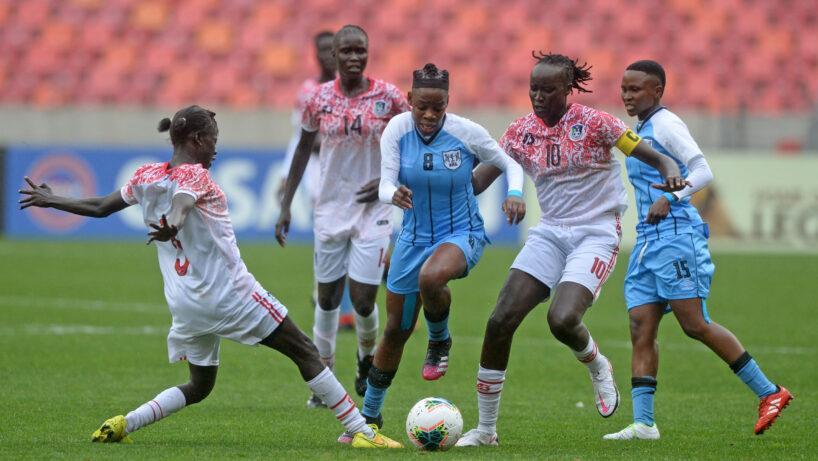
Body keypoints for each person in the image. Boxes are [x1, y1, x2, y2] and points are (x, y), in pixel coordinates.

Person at [17, 105, 401, 449]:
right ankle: (362, 432)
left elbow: (100, 206)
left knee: (200, 386)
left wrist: (55, 200)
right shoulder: (196, 176)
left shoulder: (146, 175)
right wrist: (174, 222)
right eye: (213, 140)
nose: (216, 149)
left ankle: (125, 422)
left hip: (186, 304)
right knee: (304, 349)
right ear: (197, 139)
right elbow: (183, 202)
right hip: (231, 295)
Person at [456, 52, 689, 447]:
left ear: (567, 89)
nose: (538, 96)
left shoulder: (596, 123)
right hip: (549, 232)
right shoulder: (519, 132)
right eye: (533, 88)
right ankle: (485, 431)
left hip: (596, 232)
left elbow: (653, 155)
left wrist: (669, 170)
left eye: (548, 89)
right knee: (499, 322)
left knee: (562, 319)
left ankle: (597, 364)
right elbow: (477, 182)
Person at [603, 60, 792, 440]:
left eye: (636, 89)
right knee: (641, 326)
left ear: (657, 91)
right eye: (624, 88)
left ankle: (770, 393)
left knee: (694, 324)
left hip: (676, 235)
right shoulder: (639, 129)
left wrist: (672, 197)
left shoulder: (667, 124)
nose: (627, 94)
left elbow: (702, 169)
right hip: (647, 240)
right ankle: (644, 424)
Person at [353, 63, 526, 435]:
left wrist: (514, 194)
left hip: (461, 232)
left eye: (439, 106)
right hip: (412, 239)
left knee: (431, 278)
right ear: (410, 100)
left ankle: (438, 340)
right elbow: (385, 183)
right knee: (396, 331)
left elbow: (509, 164)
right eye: (423, 106)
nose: (430, 115)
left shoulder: (466, 133)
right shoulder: (397, 130)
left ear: (448, 102)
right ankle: (368, 419)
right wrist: (392, 194)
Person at [275, 25, 411, 408]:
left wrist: (389, 180)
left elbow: (413, 140)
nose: (354, 57)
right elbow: (302, 149)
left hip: (374, 209)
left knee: (364, 301)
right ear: (334, 55)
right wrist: (286, 205)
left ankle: (366, 360)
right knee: (327, 299)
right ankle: (324, 383)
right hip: (330, 208)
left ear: (368, 53)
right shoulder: (317, 98)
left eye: (360, 51)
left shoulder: (389, 96)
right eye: (347, 51)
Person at [275, 30, 356, 331]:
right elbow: (300, 137)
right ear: (315, 53)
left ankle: (336, 297)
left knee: (352, 236)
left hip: (350, 170)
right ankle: (343, 309)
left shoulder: (353, 88)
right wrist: (286, 176)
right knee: (331, 235)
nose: (326, 54)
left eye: (330, 49)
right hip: (317, 171)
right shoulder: (307, 91)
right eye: (321, 48)